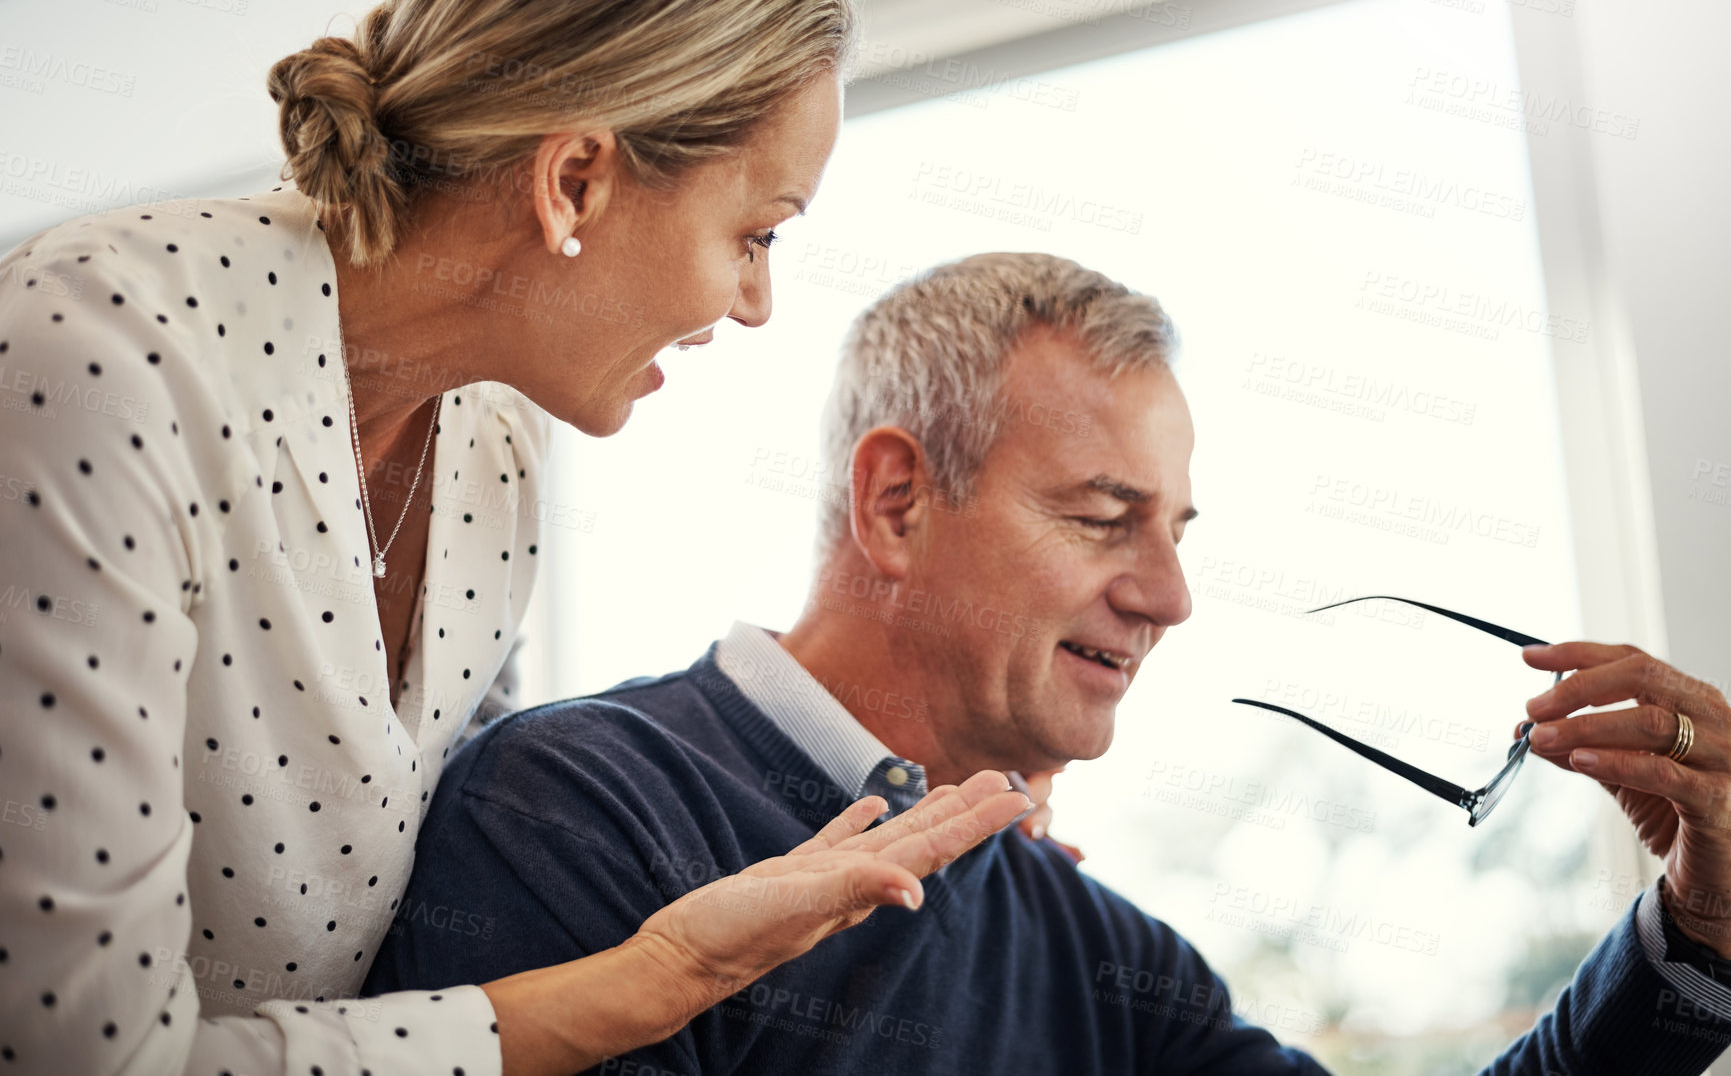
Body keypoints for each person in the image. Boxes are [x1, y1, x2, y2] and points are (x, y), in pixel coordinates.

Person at [0, 0, 1035, 1075]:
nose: (755, 303)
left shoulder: (496, 448)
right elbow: (83, 1061)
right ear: (576, 180)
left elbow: (472, 872)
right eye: (755, 235)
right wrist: (660, 979)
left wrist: (927, 856)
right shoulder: (99, 351)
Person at [367, 252, 1731, 1074]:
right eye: (1100, 517)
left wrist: (1701, 932)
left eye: (1173, 529)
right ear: (896, 502)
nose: (1168, 594)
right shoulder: (574, 807)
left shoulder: (1087, 946)